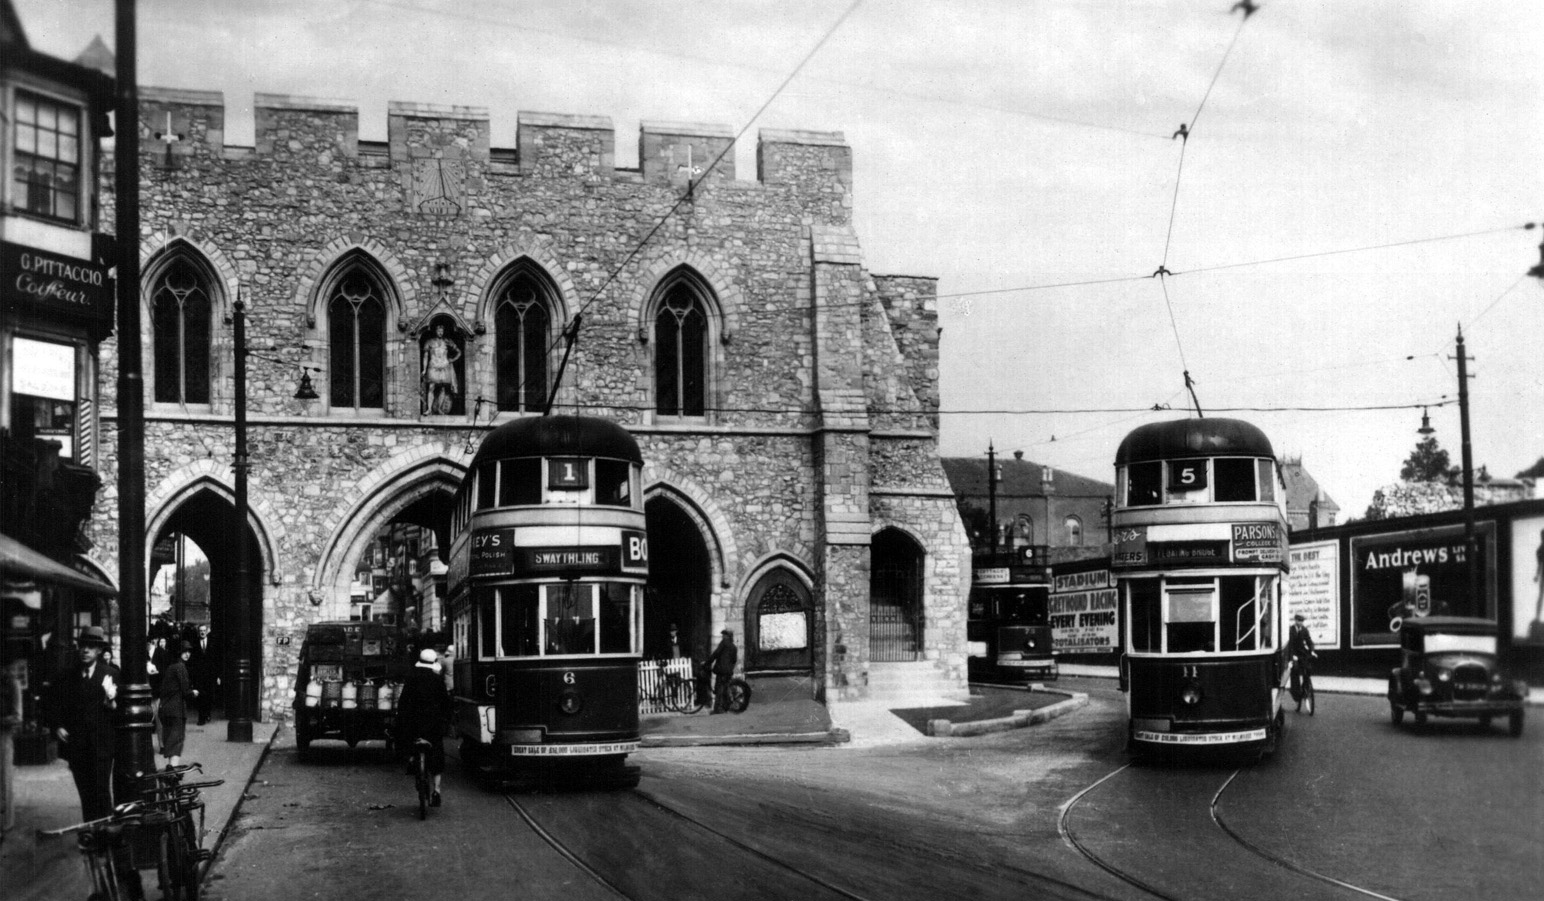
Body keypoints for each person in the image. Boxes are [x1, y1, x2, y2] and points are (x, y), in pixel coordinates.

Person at [43, 626, 122, 822]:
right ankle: (92, 836)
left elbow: (122, 711)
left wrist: (111, 703)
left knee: (102, 792)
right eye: (83, 646)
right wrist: (57, 726)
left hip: (101, 746)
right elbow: (53, 703)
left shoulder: (111, 674)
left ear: (99, 651)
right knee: (85, 795)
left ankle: (106, 835)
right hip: (77, 746)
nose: (85, 650)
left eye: (91, 647)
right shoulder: (68, 675)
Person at [395, 649, 451, 807]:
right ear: (434, 663)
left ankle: (412, 760)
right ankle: (437, 791)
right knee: (437, 754)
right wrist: (446, 719)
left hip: (414, 724)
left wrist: (402, 718)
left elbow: (403, 702)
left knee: (410, 742)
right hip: (433, 725)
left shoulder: (411, 679)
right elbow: (445, 704)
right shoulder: (437, 680)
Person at [156, 640, 193, 769]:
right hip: (176, 711)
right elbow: (185, 691)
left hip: (166, 710)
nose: (187, 654)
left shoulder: (171, 667)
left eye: (189, 651)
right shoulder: (180, 667)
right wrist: (194, 693)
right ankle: (172, 775)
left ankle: (170, 770)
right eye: (184, 651)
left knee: (171, 742)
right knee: (177, 742)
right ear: (179, 653)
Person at [1, 655, 24, 838]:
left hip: (3, 736)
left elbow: (17, 716)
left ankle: (6, 823)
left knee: (5, 779)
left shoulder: (12, 684)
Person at [420, 324, 461, 415]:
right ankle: (429, 409)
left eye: (442, 331)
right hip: (433, 366)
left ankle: (439, 408)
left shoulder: (447, 342)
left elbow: (459, 352)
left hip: (444, 366)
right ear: (435, 331)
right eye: (439, 331)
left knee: (443, 388)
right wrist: (424, 369)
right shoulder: (429, 342)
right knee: (431, 387)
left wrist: (451, 360)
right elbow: (425, 356)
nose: (440, 333)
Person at [187, 624, 218, 725]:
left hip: (210, 674)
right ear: (198, 631)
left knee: (209, 696)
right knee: (200, 696)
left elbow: (216, 660)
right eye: (200, 630)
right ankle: (201, 718)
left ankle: (207, 713)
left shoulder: (212, 643)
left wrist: (218, 675)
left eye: (204, 630)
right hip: (199, 675)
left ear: (207, 631)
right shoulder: (195, 643)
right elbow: (192, 661)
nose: (202, 632)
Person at [1287, 613, 1316, 711]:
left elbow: (1309, 641)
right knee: (1294, 672)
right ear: (1295, 620)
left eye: (1302, 621)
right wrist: (1292, 656)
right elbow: (1289, 645)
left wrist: (1312, 650)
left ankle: (1306, 687)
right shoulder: (1290, 630)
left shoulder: (1304, 630)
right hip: (1294, 655)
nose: (1300, 623)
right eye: (1299, 620)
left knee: (1308, 669)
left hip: (1302, 654)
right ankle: (1296, 694)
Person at [706, 629, 738, 714]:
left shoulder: (723, 644)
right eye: (723, 635)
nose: (723, 637)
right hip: (728, 671)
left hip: (721, 671)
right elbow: (734, 660)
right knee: (725, 688)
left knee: (719, 689)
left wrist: (707, 663)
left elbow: (715, 654)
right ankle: (726, 706)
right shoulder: (734, 647)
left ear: (728, 637)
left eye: (724, 635)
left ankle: (718, 709)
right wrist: (730, 669)